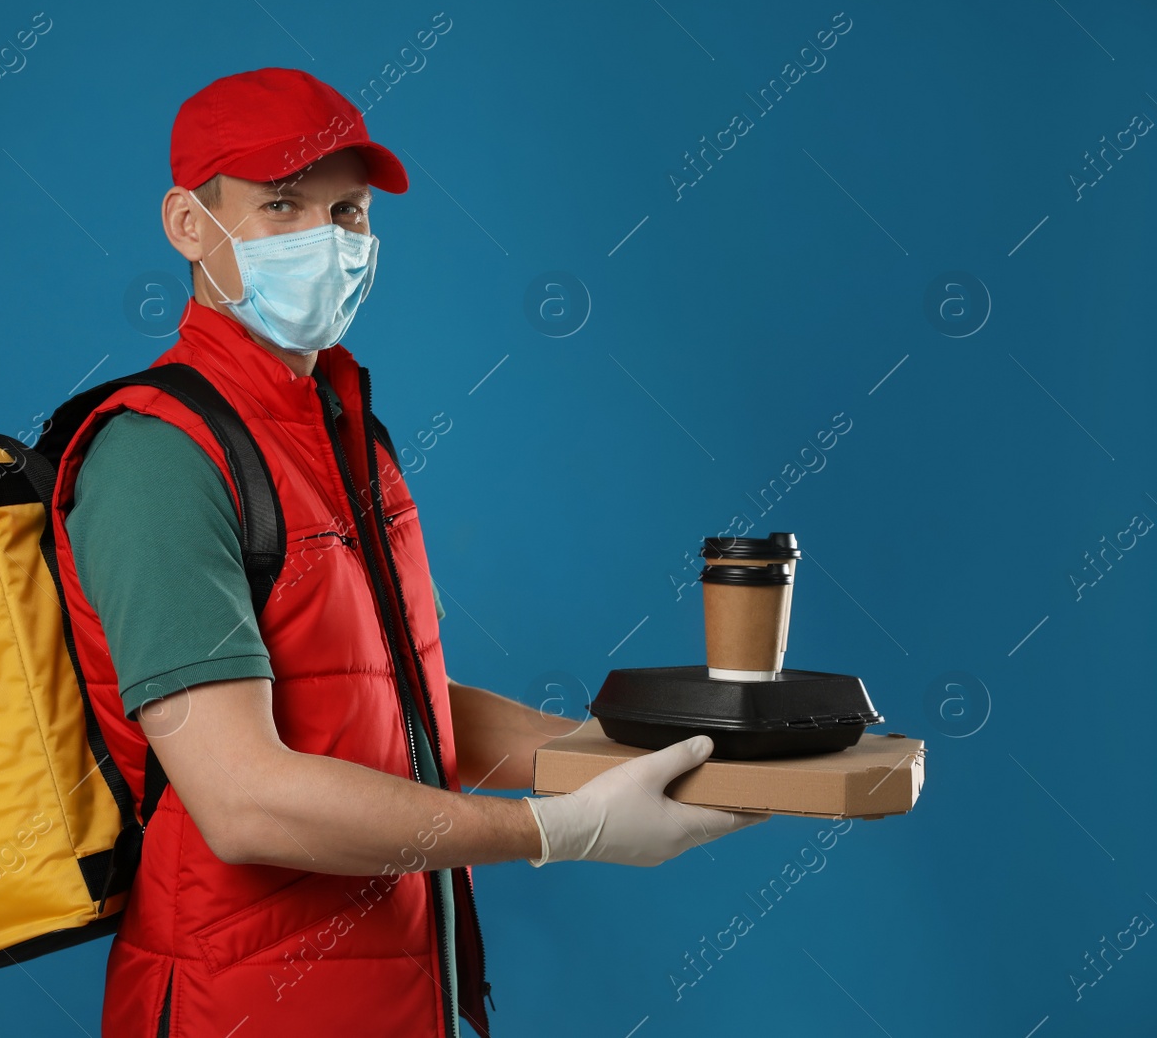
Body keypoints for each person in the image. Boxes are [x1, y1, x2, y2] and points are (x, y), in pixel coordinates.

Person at [54, 67, 768, 1038]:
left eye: (347, 210)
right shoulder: (158, 455)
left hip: (391, 994)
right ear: (187, 223)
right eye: (280, 205)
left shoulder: (345, 433)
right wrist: (556, 830)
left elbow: (393, 712)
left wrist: (643, 757)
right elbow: (244, 799)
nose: (327, 238)